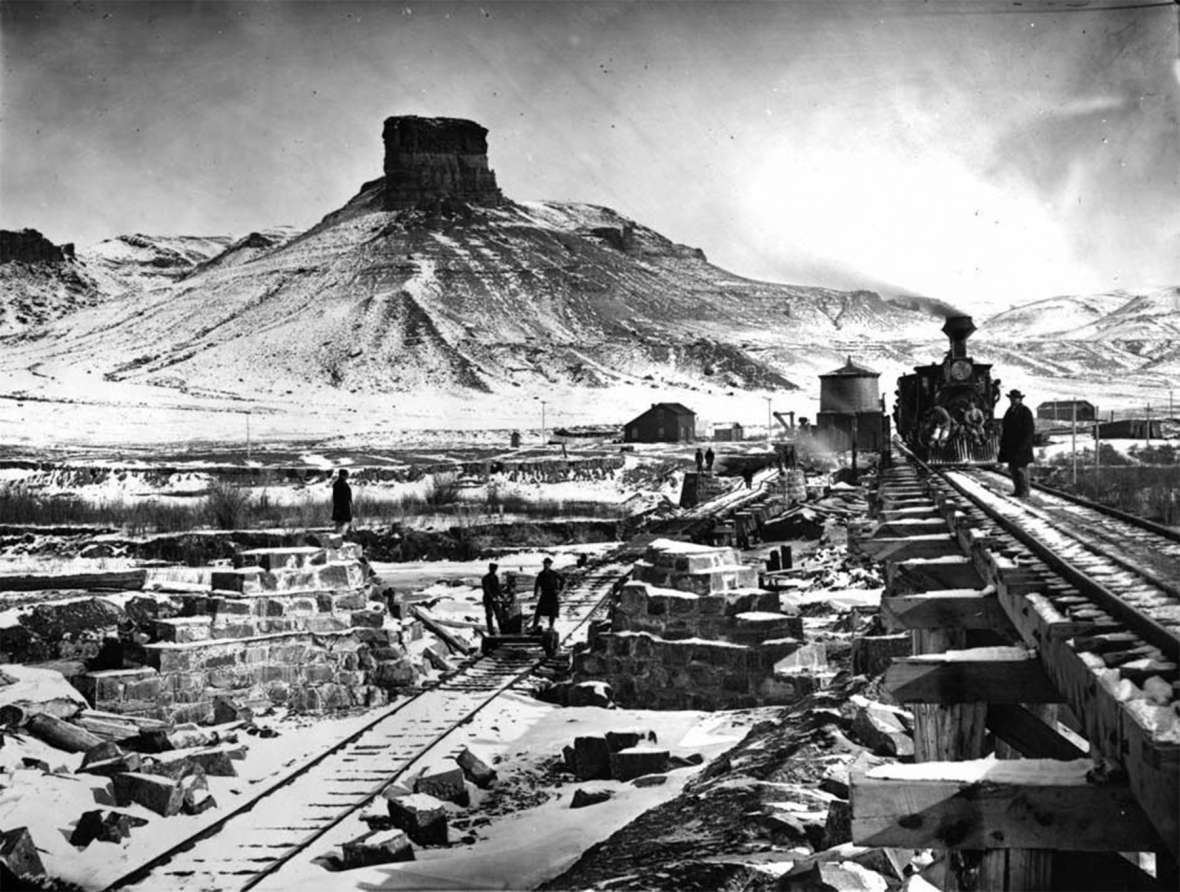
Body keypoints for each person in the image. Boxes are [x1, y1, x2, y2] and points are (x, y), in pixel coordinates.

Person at [998, 389, 1035, 498]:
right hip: (1011, 447)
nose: (1013, 400)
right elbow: (1005, 428)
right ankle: (1018, 491)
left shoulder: (1025, 411)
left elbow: (1029, 430)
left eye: (1015, 398)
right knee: (1014, 469)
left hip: (1022, 446)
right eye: (1011, 398)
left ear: (1020, 399)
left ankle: (1024, 492)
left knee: (1021, 469)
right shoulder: (1009, 410)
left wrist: (1024, 445)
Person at [531, 557, 563, 632]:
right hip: (544, 594)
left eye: (548, 564)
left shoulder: (554, 573)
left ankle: (551, 626)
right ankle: (534, 626)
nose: (546, 565)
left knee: (552, 611)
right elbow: (537, 585)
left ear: (550, 565)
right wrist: (535, 594)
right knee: (538, 611)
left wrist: (559, 590)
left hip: (552, 594)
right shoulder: (541, 574)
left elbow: (563, 580)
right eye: (545, 564)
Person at [481, 562, 503, 636]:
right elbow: (486, 589)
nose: (494, 570)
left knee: (499, 614)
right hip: (488, 599)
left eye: (495, 569)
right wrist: (492, 597)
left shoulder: (495, 577)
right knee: (489, 615)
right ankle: (491, 631)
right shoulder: (485, 578)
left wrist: (502, 596)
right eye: (493, 569)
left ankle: (501, 629)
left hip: (495, 599)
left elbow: (497, 588)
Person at [331, 469, 353, 534]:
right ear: (343, 475)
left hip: (343, 507)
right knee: (342, 524)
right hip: (342, 508)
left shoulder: (341, 484)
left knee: (342, 524)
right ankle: (341, 537)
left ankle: (342, 536)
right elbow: (337, 498)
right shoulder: (339, 484)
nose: (347, 476)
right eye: (346, 475)